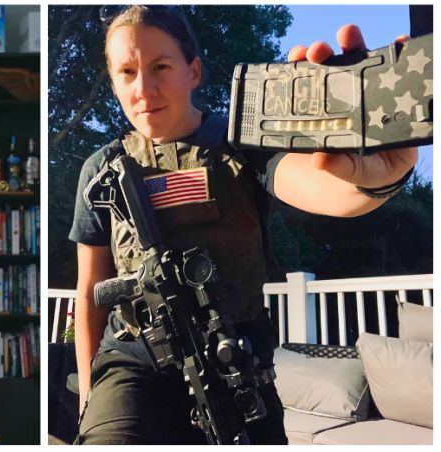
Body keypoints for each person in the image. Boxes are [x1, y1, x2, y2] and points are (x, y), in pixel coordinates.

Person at [69, 6, 416, 445]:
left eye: (160, 66)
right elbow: (90, 291)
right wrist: (89, 396)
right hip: (133, 365)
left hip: (236, 367)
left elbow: (316, 184)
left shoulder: (241, 143)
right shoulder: (100, 169)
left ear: (193, 71)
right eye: (126, 72)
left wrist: (379, 178)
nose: (144, 88)